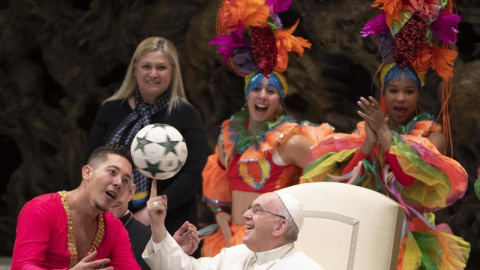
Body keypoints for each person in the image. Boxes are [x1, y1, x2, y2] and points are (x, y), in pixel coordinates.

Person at [302, 1, 471, 269]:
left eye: (408, 91)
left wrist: (383, 132)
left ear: (418, 95)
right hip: (370, 230)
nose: (400, 98)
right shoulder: (368, 127)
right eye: (393, 90)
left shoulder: (430, 133)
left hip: (413, 236)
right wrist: (368, 143)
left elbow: (406, 179)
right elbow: (345, 181)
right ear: (384, 93)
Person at [202, 0, 334, 256]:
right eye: (256, 89)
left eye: (271, 91)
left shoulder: (291, 142)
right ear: (247, 95)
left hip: (271, 246)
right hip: (231, 242)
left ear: (279, 100)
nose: (262, 96)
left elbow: (322, 186)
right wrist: (226, 228)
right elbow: (218, 187)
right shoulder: (227, 137)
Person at [86, 36, 208, 240]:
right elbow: (91, 160)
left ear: (173, 72)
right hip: (109, 219)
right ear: (135, 69)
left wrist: (152, 211)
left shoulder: (186, 113)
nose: (153, 73)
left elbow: (194, 172)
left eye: (161, 67)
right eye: (146, 66)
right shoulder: (111, 109)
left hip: (169, 222)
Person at [11, 144, 141, 269]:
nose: (119, 183)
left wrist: (158, 229)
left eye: (126, 180)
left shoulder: (114, 227)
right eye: (112, 172)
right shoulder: (42, 209)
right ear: (87, 172)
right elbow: (22, 266)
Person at [143, 180, 324, 270]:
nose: (245, 215)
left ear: (279, 227)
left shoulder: (304, 267)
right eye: (249, 208)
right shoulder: (235, 255)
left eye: (257, 210)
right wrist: (158, 226)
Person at [109, 182, 151, 270]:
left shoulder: (148, 239)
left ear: (130, 192)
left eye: (118, 189)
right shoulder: (80, 227)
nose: (110, 198)